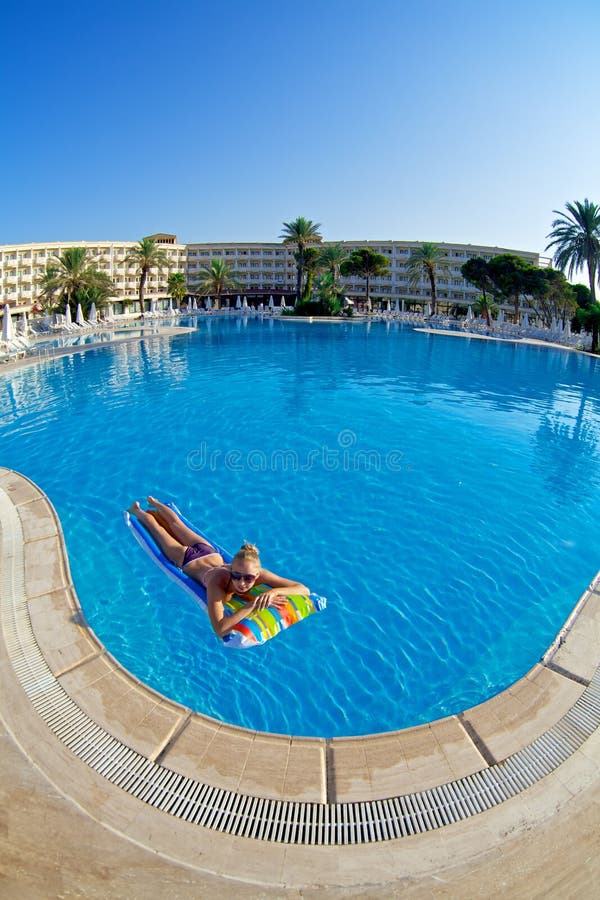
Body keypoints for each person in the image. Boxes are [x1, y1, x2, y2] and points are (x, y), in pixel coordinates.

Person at [128, 497, 310, 638]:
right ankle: (138, 509)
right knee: (158, 528)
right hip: (186, 559)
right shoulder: (218, 583)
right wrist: (252, 606)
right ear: (230, 570)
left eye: (248, 578)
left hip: (210, 552)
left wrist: (272, 593)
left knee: (177, 525)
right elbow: (220, 629)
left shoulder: (259, 574)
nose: (242, 582)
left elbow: (303, 589)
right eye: (236, 576)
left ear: (257, 575)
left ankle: (155, 503)